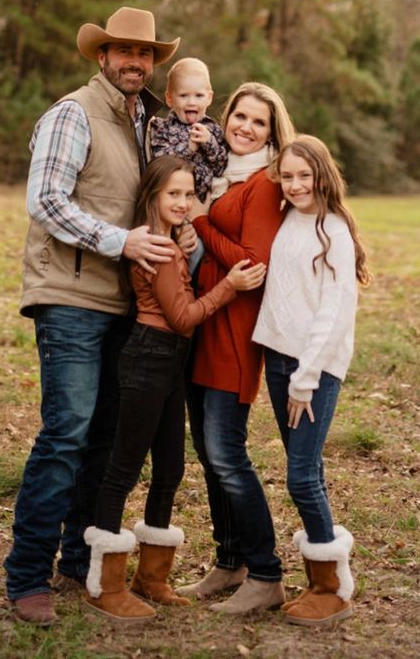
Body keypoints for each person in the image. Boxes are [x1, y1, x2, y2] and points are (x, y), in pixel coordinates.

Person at [4, 7, 185, 626]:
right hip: (71, 298)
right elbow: (46, 200)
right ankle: (27, 577)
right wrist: (121, 242)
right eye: (124, 51)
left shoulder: (145, 123)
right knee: (66, 435)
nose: (136, 61)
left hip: (123, 302)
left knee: (104, 437)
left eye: (145, 53)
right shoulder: (73, 114)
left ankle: (78, 561)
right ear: (102, 56)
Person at [83, 155, 267, 623]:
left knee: (169, 469)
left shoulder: (169, 241)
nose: (184, 202)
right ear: (153, 196)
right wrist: (229, 286)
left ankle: (152, 578)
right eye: (174, 194)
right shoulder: (160, 249)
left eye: (189, 194)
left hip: (169, 362)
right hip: (150, 357)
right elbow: (183, 318)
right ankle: (105, 586)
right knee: (123, 469)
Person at [176, 82, 297, 615]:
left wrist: (202, 222)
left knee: (226, 452)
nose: (245, 127)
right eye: (239, 116)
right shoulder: (220, 175)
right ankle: (230, 561)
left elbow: (253, 262)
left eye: (259, 122)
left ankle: (266, 573)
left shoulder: (265, 184)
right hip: (204, 321)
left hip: (235, 331)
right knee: (208, 453)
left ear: (272, 133)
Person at [252, 135, 371, 626]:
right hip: (279, 359)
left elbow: (334, 312)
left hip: (312, 368)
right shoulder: (286, 217)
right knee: (307, 468)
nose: (296, 184)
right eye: (287, 176)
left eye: (305, 175)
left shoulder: (334, 231)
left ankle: (332, 588)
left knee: (300, 477)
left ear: (322, 175)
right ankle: (321, 577)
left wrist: (306, 378)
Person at [149, 57, 227, 203]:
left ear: (209, 98)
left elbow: (222, 166)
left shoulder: (213, 130)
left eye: (199, 95)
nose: (191, 102)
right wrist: (188, 149)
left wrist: (209, 143)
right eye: (183, 95)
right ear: (170, 98)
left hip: (206, 205)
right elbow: (160, 165)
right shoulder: (162, 129)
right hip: (174, 203)